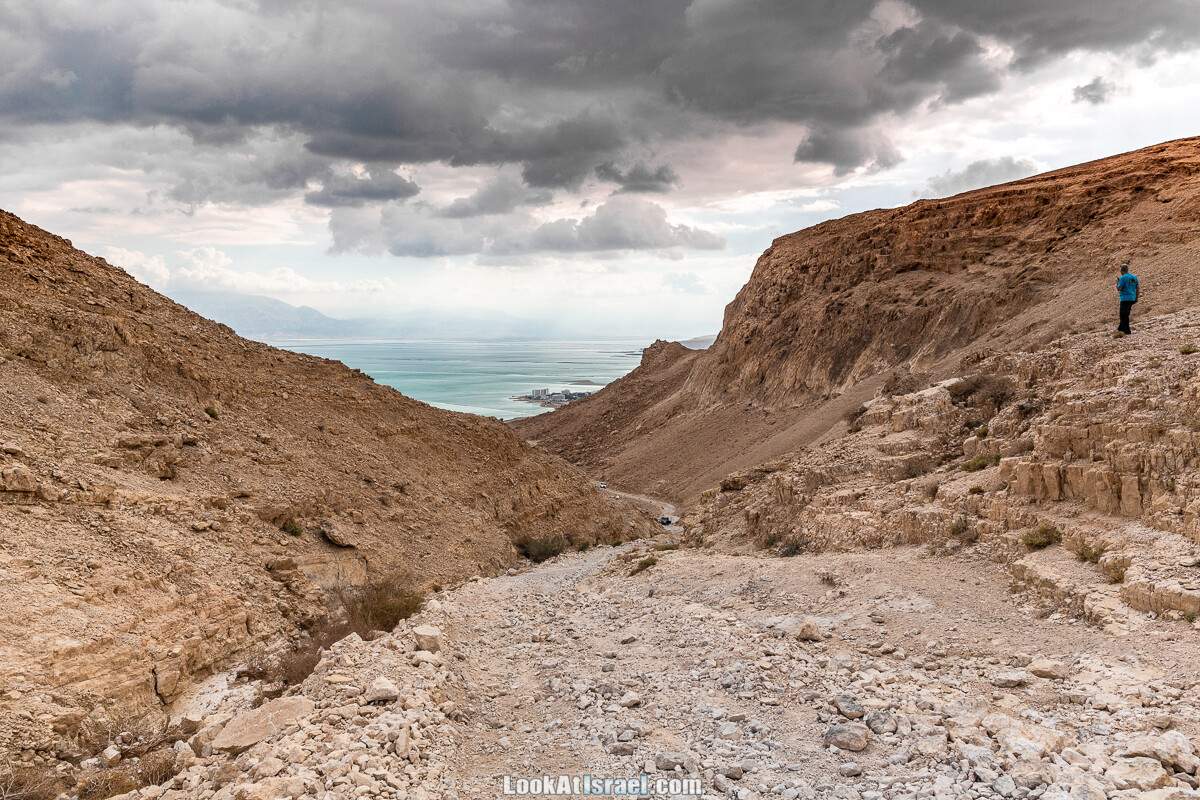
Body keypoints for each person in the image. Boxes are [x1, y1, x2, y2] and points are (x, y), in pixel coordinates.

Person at [1117, 263, 1139, 335]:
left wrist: (1117, 283)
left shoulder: (1123, 278)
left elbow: (1119, 288)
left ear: (1122, 270)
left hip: (1125, 298)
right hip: (1132, 298)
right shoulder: (1134, 277)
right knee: (1126, 313)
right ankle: (1120, 328)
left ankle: (1127, 331)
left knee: (1123, 315)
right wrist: (1136, 298)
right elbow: (1138, 287)